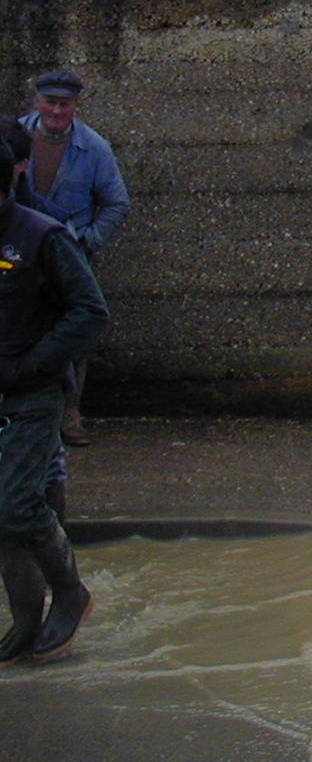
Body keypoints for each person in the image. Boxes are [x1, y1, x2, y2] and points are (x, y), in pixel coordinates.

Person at [0, 137, 108, 662]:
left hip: (32, 392)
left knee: (18, 505)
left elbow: (89, 310)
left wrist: (35, 362)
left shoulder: (42, 236)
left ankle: (70, 590)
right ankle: (23, 619)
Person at [17, 70, 130, 446]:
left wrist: (86, 242)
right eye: (50, 101)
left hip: (67, 252)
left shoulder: (94, 148)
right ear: (37, 102)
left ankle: (69, 413)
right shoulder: (15, 137)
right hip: (18, 250)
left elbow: (116, 203)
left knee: (74, 332)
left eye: (65, 104)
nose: (57, 110)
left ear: (75, 107)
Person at [2, 124, 69, 527]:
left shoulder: (45, 227)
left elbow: (84, 309)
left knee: (45, 469)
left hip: (31, 378)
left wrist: (39, 362)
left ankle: (61, 571)